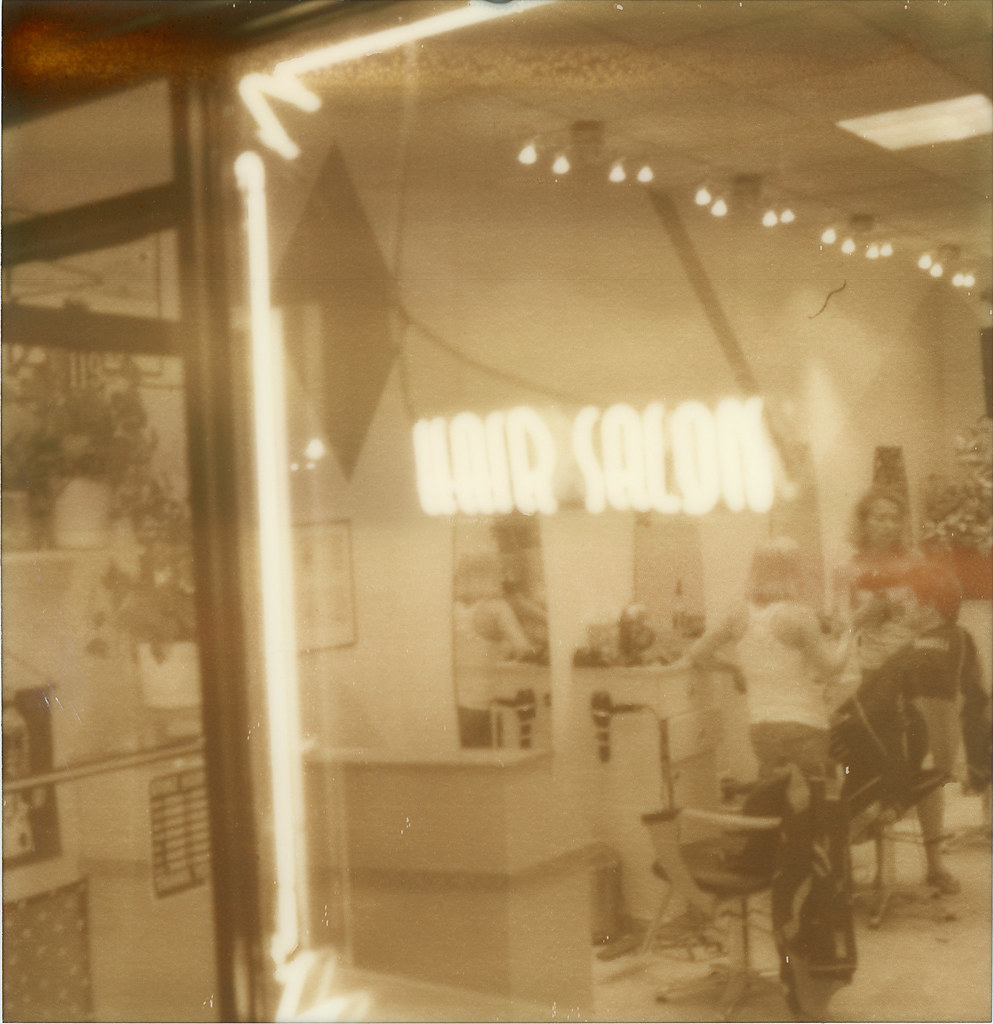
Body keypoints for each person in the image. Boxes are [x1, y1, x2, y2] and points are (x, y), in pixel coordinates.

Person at [665, 537, 852, 783]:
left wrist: (734, 668)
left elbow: (698, 654)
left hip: (762, 728)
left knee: (775, 800)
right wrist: (849, 634)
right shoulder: (800, 615)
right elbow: (830, 670)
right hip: (805, 723)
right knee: (814, 802)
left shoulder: (738, 613)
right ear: (794, 571)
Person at [855, 562, 990, 893]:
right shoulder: (944, 640)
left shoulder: (927, 645)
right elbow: (976, 692)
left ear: (929, 607)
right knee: (929, 795)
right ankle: (933, 866)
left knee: (910, 792)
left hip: (921, 739)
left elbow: (972, 693)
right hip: (928, 740)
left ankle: (918, 859)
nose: (903, 607)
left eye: (910, 601)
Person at [831, 485, 924, 675]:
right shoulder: (846, 568)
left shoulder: (915, 560)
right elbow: (842, 626)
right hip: (872, 665)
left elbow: (931, 613)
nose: (889, 525)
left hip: (914, 660)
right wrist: (867, 612)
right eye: (881, 518)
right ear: (863, 522)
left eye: (894, 518)